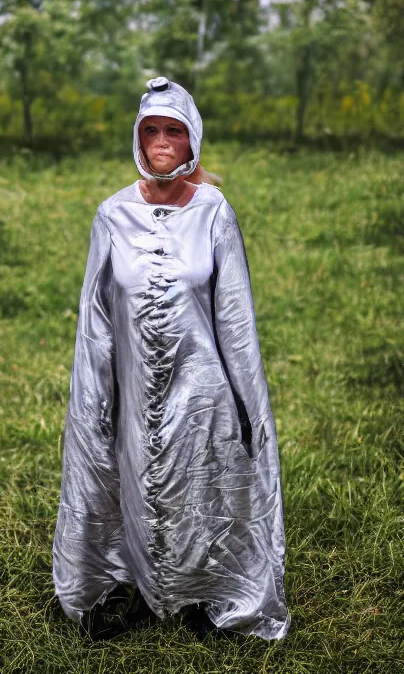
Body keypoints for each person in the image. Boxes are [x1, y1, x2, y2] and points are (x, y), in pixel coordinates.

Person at [53, 76, 290, 642]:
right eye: (152, 130)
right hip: (136, 388)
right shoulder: (111, 215)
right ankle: (138, 588)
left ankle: (218, 598)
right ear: (137, 139)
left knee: (201, 492)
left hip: (201, 387)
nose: (162, 140)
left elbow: (235, 318)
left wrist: (248, 403)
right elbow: (95, 320)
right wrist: (97, 400)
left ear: (192, 141)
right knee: (135, 486)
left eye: (174, 130)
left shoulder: (214, 212)